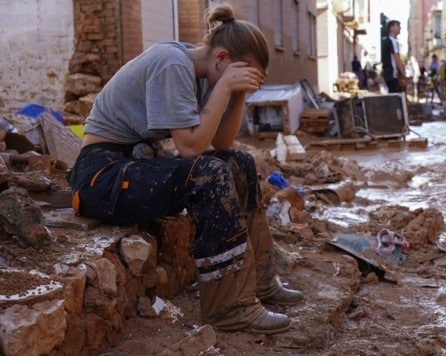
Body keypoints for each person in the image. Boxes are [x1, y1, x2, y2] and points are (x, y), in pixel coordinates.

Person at [66, 4, 303, 334]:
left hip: (135, 163)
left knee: (239, 163)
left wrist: (237, 95)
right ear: (221, 59)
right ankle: (228, 308)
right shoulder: (172, 64)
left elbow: (221, 144)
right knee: (209, 173)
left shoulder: (205, 74)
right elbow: (190, 148)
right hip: (100, 176)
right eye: (242, 73)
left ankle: (261, 282)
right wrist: (224, 87)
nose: (243, 81)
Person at [381, 20, 408, 93]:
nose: (400, 28)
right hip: (391, 73)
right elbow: (397, 59)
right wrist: (403, 74)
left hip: (388, 73)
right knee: (394, 96)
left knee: (392, 95)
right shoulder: (392, 41)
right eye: (398, 26)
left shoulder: (387, 41)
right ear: (391, 28)